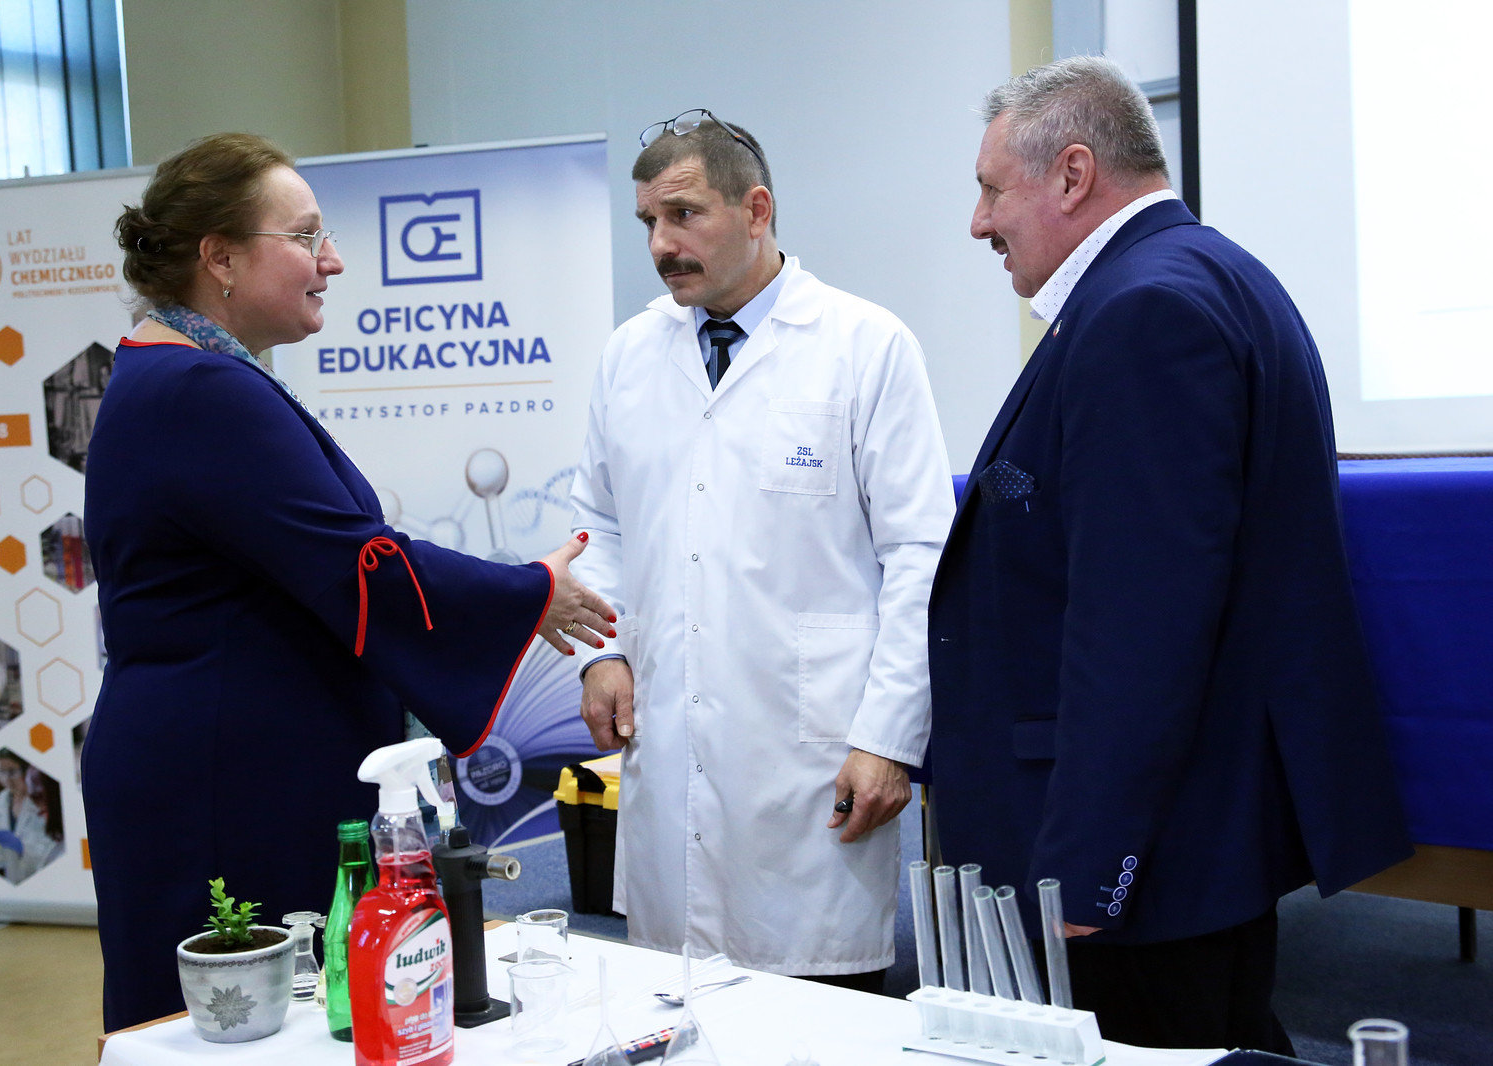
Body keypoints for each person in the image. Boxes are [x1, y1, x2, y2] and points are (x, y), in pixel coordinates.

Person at [926, 57, 1412, 1051]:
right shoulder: (1207, 275)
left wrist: (1088, 864)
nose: (978, 222)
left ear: (1071, 174)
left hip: (1142, 853)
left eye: (991, 189)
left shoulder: (1143, 312)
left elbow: (1139, 626)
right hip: (1187, 830)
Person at [82, 132, 613, 1031]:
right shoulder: (201, 390)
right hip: (225, 784)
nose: (331, 260)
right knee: (247, 1033)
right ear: (219, 257)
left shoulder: (177, 373)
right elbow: (355, 561)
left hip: (223, 760)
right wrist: (528, 593)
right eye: (304, 237)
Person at [570, 110, 954, 989]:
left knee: (817, 1015)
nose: (661, 245)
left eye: (684, 215)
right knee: (673, 1008)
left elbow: (921, 555)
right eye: (648, 222)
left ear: (756, 209)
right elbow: (599, 523)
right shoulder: (630, 355)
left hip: (812, 756)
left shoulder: (865, 345)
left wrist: (890, 740)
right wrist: (606, 653)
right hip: (670, 742)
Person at [0, 749, 62, 885]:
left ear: (26, 770)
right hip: (7, 876)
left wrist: (21, 849)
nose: (6, 778)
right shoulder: (2, 798)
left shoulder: (40, 803)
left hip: (39, 879)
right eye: (0, 772)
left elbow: (49, 848)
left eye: (12, 771)